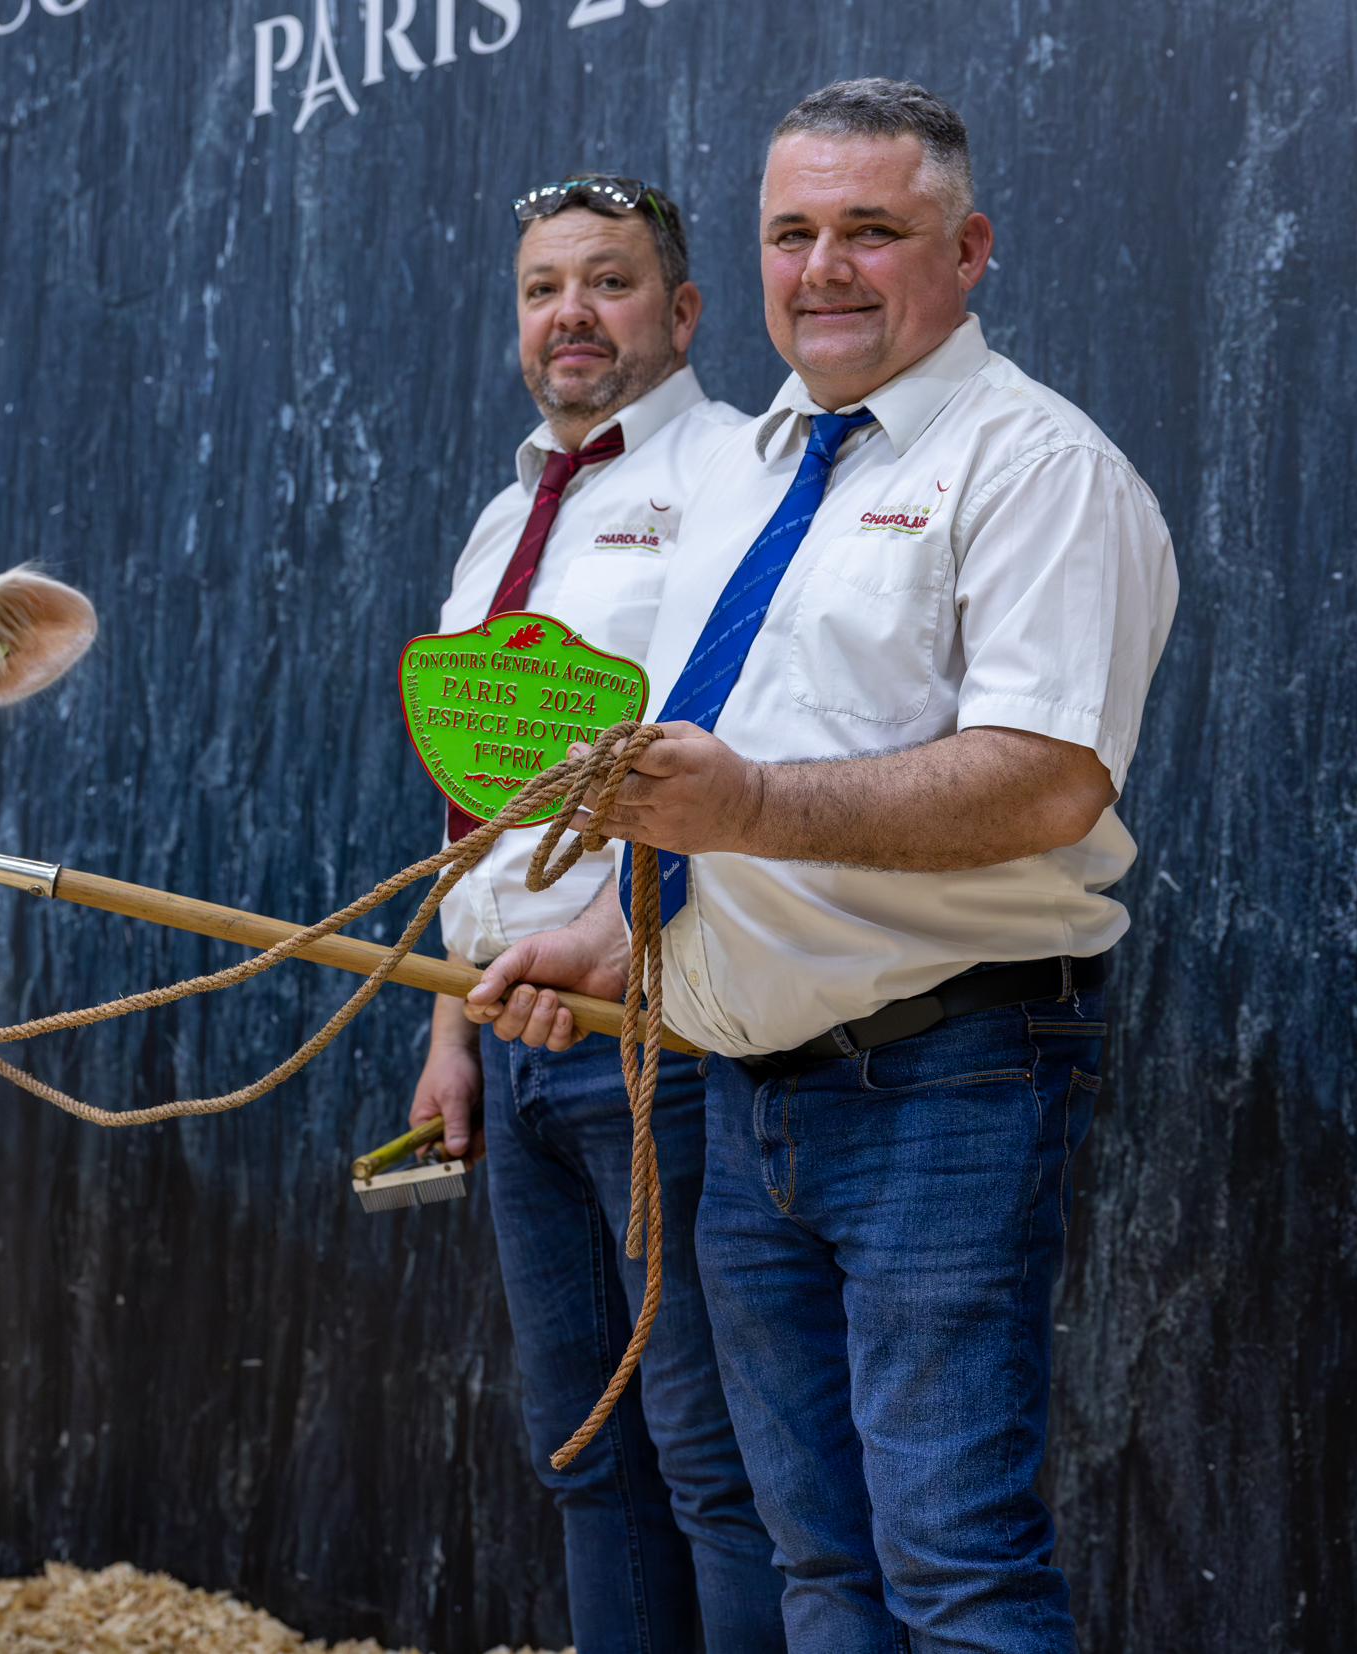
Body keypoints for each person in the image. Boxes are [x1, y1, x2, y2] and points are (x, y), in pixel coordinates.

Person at [463, 83, 1179, 1653]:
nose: (827, 267)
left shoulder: (1038, 465)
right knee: (817, 1571)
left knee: (953, 1568)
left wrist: (754, 812)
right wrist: (608, 924)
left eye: (875, 230)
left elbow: (1050, 776)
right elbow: (718, 741)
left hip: (949, 1074)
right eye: (795, 231)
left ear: (970, 247)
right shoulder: (761, 458)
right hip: (744, 1077)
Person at [407, 174, 786, 1653]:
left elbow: (758, 760)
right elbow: (469, 808)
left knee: (709, 1456)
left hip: (658, 1038)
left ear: (683, 311)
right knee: (584, 1451)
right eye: (541, 287)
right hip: (513, 1040)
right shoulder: (506, 514)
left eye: (609, 281)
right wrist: (452, 1027)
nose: (570, 312)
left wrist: (639, 962)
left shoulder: (740, 483)